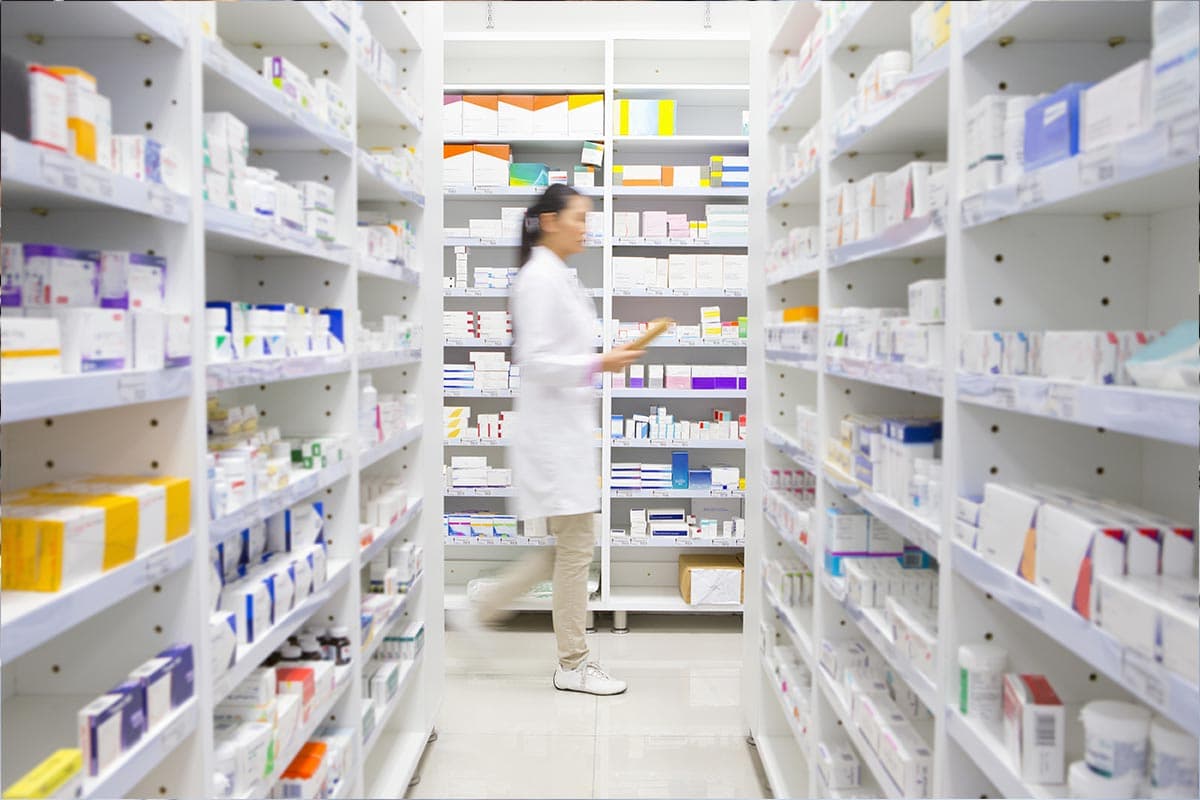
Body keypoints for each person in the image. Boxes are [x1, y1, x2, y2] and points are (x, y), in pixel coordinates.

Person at [456, 184, 643, 696]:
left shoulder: (558, 275)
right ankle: (573, 664)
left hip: (565, 435)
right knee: (577, 546)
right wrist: (598, 363)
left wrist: (600, 359)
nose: (587, 227)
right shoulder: (539, 278)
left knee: (566, 547)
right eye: (580, 218)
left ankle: (485, 607)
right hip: (553, 440)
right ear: (550, 221)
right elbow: (533, 359)